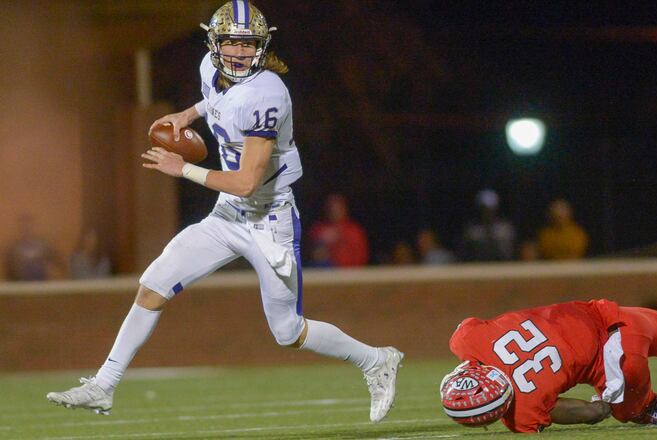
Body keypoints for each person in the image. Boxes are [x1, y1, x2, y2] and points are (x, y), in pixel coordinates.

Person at [47, 1, 402, 423]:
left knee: (287, 332)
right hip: (228, 212)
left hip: (269, 217)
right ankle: (103, 385)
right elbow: (212, 97)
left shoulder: (267, 94)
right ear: (214, 43)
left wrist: (183, 169)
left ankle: (375, 359)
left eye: (246, 43)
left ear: (261, 46)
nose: (236, 52)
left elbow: (247, 181)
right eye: (229, 42)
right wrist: (188, 112)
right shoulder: (209, 69)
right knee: (153, 284)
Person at [441, 299, 657, 433]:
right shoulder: (468, 340)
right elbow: (470, 328)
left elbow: (593, 413)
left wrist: (603, 404)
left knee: (636, 410)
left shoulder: (521, 414)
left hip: (615, 365)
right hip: (610, 316)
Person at [307, 193, 370, 267]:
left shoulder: (354, 231)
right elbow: (311, 253)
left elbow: (362, 256)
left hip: (350, 274)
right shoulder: (318, 229)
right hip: (324, 273)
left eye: (337, 207)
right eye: (331, 207)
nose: (334, 210)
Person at [458, 189, 516, 262]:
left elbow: (511, 253)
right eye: (484, 208)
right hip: (478, 268)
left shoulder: (505, 229)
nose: (488, 212)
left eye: (490, 208)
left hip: (502, 268)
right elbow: (464, 254)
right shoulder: (472, 231)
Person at [4, 214, 62, 281]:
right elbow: (9, 272)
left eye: (28, 225)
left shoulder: (44, 246)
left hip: (43, 284)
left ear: (33, 226)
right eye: (23, 226)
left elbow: (58, 264)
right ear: (19, 228)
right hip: (21, 285)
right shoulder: (13, 250)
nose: (26, 229)